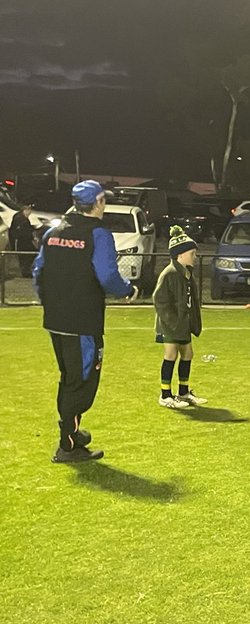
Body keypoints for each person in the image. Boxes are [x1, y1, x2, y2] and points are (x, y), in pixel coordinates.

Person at [32, 180, 136, 463]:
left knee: (69, 377)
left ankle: (71, 432)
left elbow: (38, 272)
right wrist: (128, 290)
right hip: (83, 321)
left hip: (55, 319)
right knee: (83, 382)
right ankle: (67, 446)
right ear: (99, 203)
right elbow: (107, 277)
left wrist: (51, 302)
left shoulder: (53, 232)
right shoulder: (99, 234)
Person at [153, 225, 206, 409]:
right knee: (170, 354)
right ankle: (165, 395)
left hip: (182, 323)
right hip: (170, 324)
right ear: (180, 254)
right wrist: (173, 320)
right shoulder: (170, 273)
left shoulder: (186, 273)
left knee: (188, 354)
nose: (195, 257)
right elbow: (159, 300)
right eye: (192, 253)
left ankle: (183, 393)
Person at [9, 204, 37, 277]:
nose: (30, 213)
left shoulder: (19, 217)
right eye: (29, 211)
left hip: (21, 241)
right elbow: (24, 231)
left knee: (26, 257)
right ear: (25, 210)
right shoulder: (21, 219)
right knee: (27, 257)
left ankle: (26, 272)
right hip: (23, 242)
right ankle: (26, 273)